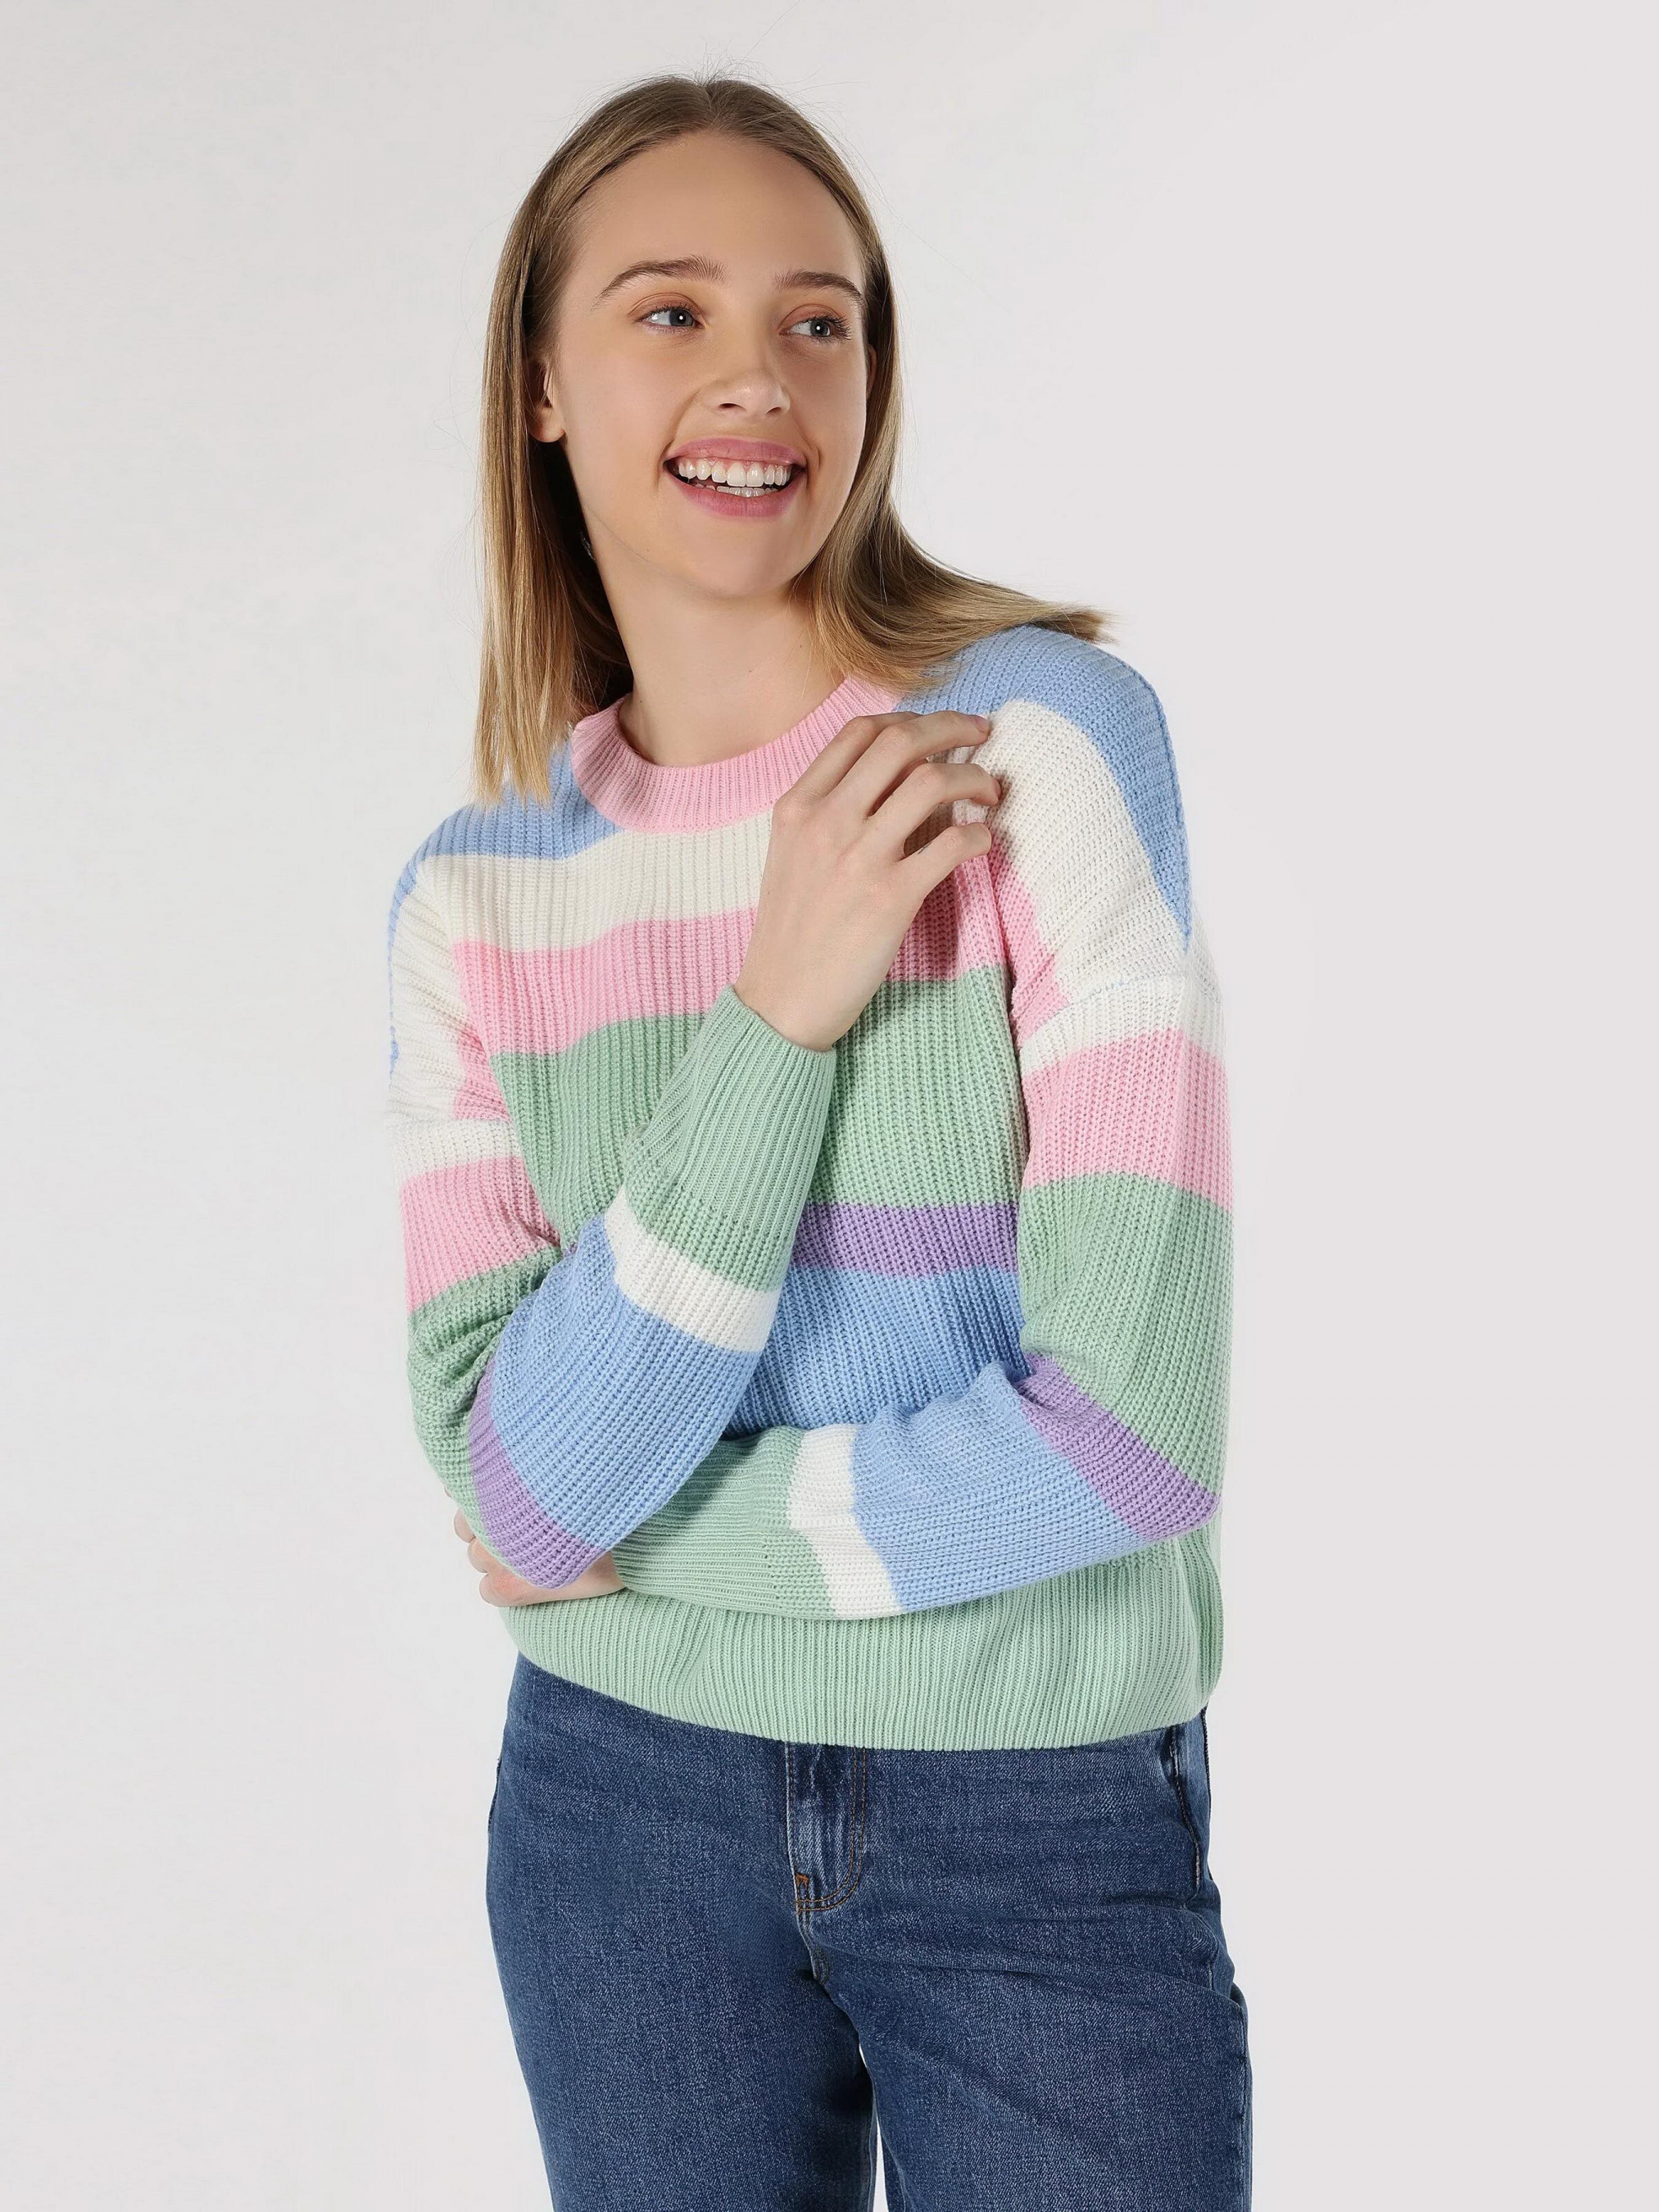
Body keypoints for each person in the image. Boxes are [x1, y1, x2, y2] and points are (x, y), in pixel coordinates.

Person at [383, 69, 1250, 2212]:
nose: (757, 375)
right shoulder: (475, 900)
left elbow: (1127, 1438)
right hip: (617, 1815)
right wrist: (779, 1006)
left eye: (818, 317)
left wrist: (620, 1543)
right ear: (541, 387)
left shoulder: (1039, 743)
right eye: (670, 310)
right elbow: (508, 1472)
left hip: (1035, 1805)